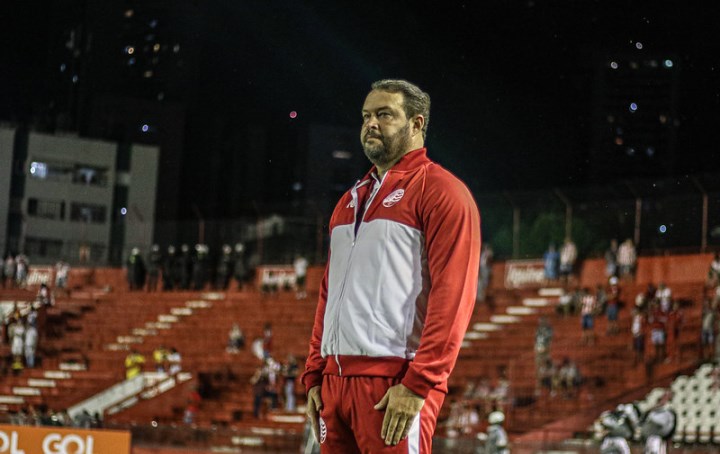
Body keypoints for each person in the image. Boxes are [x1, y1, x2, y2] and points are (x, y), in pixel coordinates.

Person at [302, 79, 481, 452]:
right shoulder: (349, 200)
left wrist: (419, 383)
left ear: (416, 124)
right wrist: (314, 375)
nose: (371, 123)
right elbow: (327, 294)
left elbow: (454, 297)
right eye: (367, 115)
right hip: (333, 386)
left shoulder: (443, 192)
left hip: (394, 383)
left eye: (384, 114)